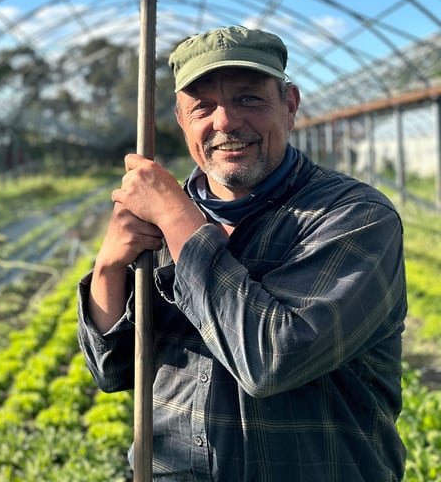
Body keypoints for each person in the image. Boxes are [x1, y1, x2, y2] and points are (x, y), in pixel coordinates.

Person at [77, 25, 407, 481]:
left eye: (249, 99)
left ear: (289, 105)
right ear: (181, 118)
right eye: (203, 106)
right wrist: (109, 268)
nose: (226, 122)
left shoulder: (354, 216)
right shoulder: (159, 216)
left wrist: (178, 222)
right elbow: (111, 369)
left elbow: (274, 360)